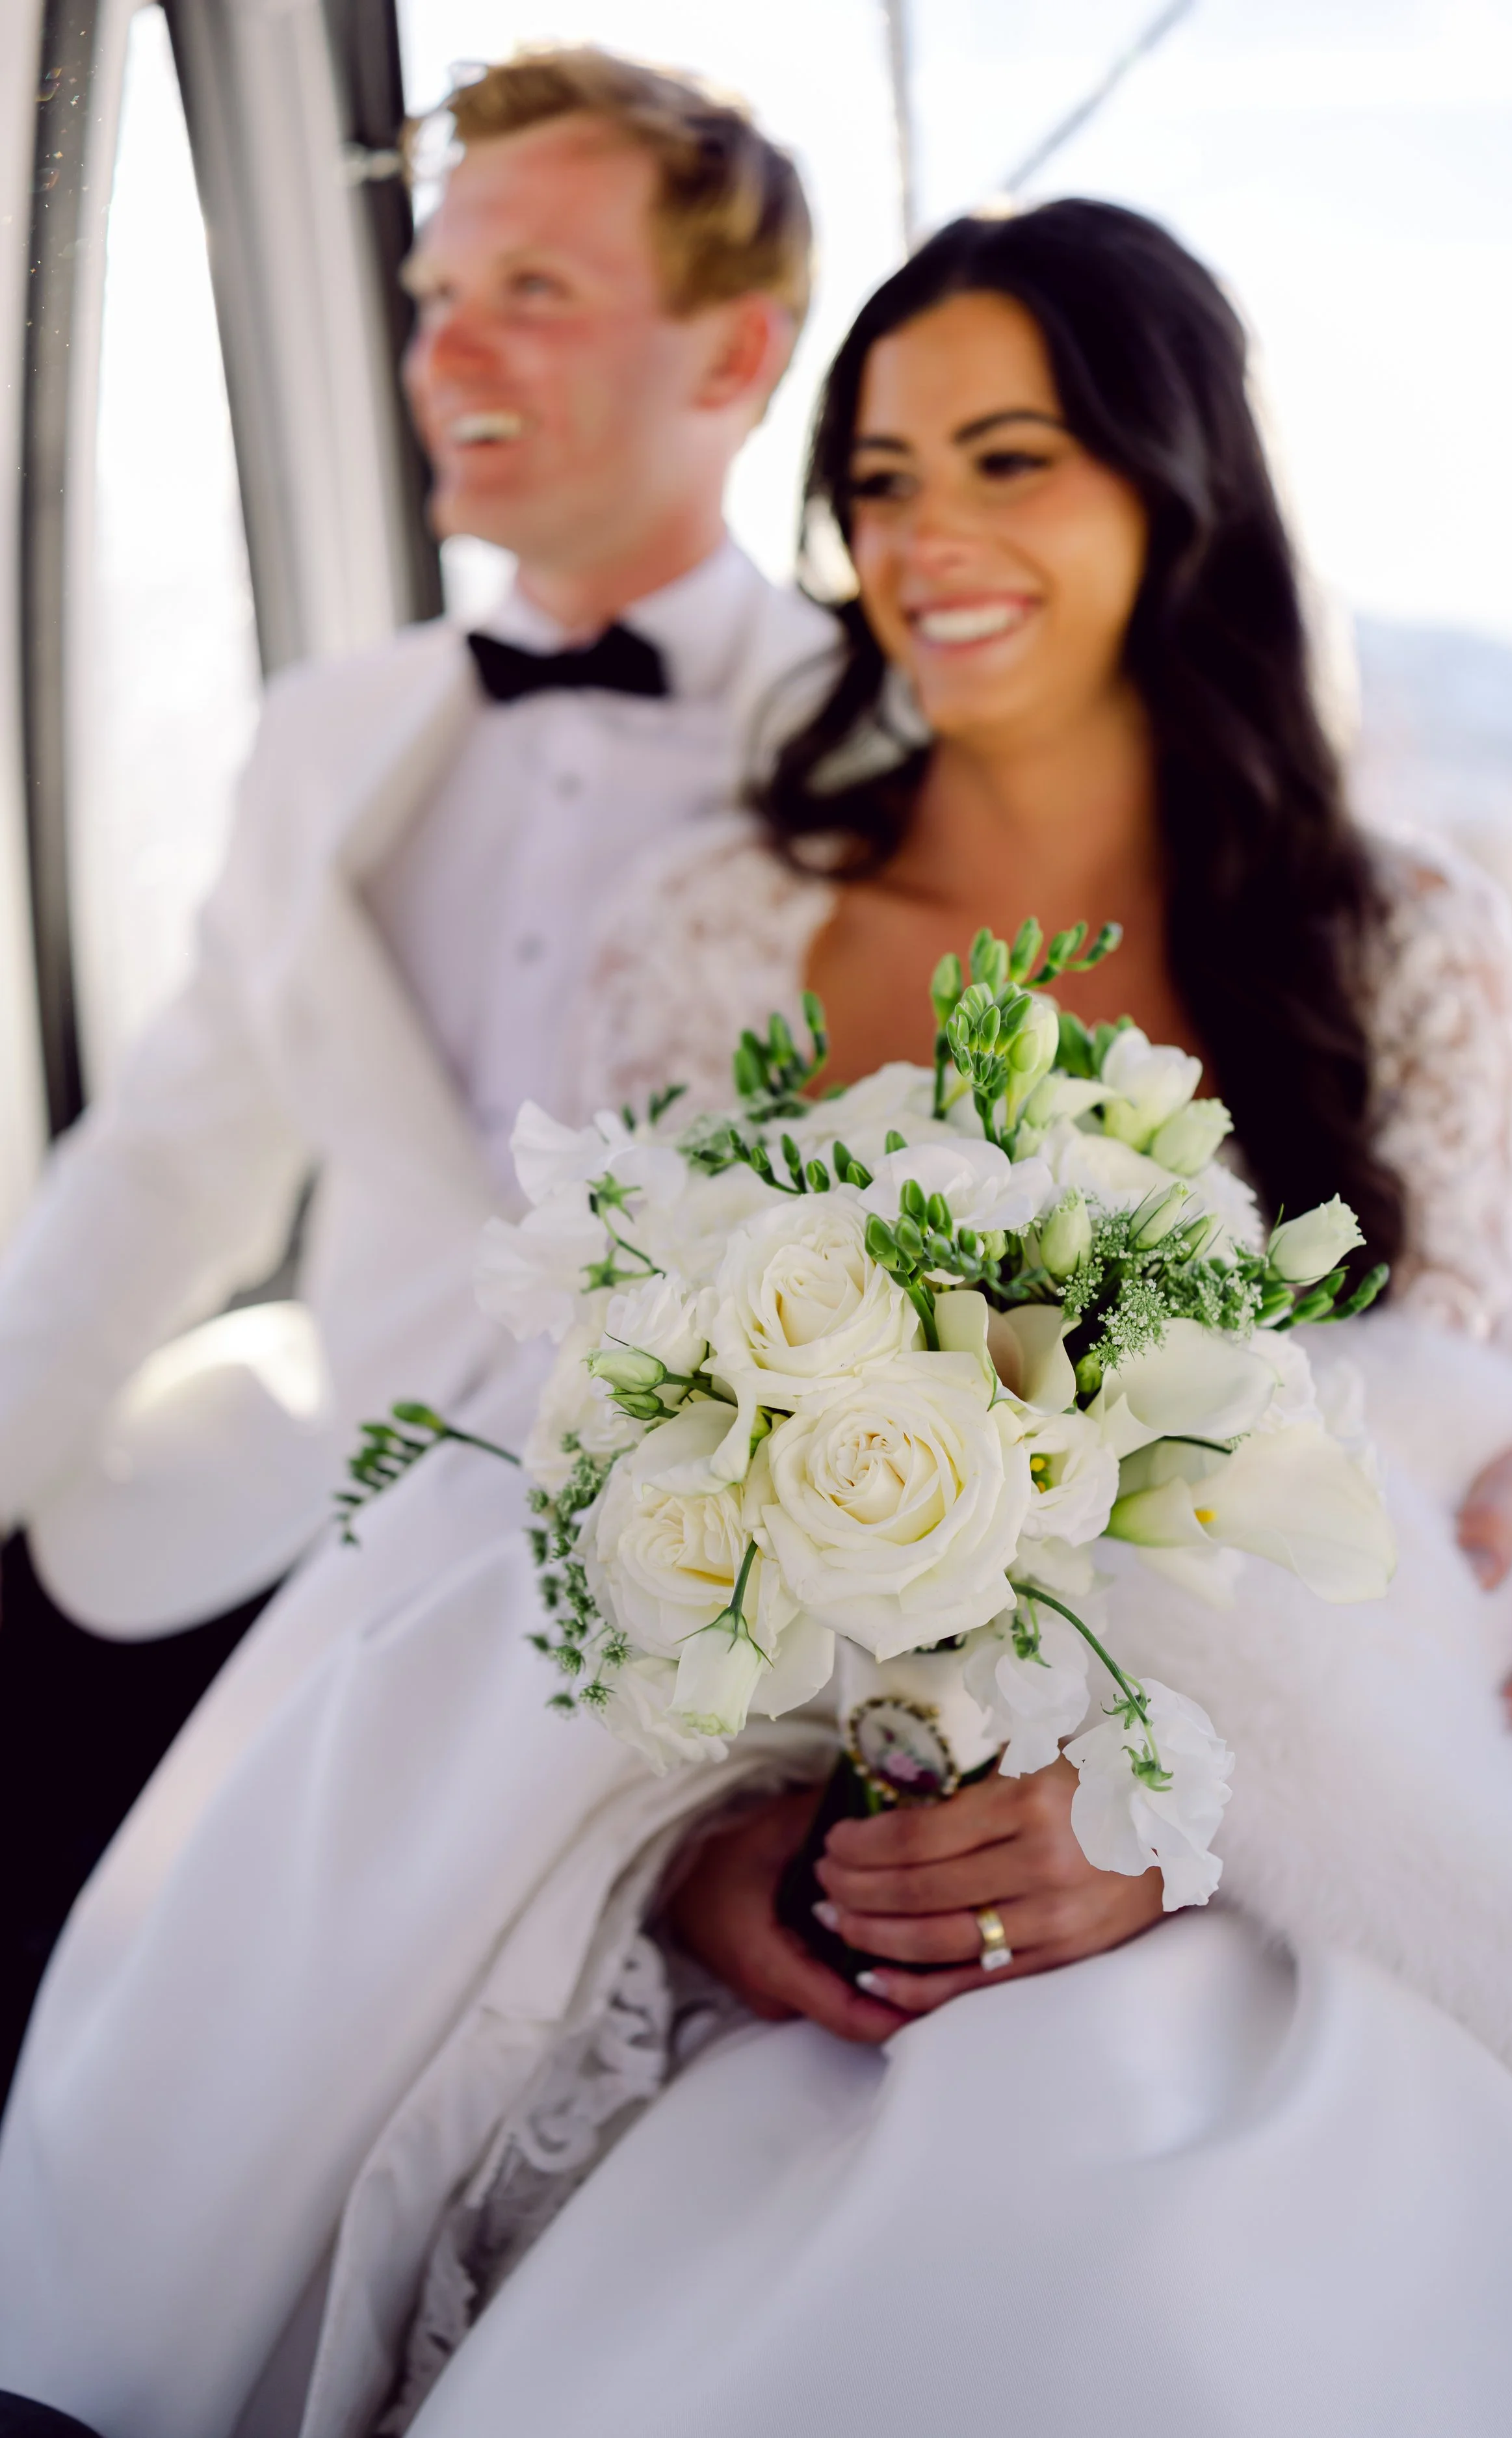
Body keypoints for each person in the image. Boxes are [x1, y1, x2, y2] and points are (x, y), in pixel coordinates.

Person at [7, 194, 1512, 2438]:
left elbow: (1426, 1463)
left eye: (1007, 458)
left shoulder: (1394, 931)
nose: (925, 536)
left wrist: (1176, 1814)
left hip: (1269, 1851)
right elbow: (599, 1427)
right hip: (803, 1826)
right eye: (876, 478)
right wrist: (697, 1866)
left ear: (1177, 492)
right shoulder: (716, 925)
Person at [0, 46, 835, 2089]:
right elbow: (168, 1161)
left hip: (666, 1647)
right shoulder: (322, 731)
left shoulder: (899, 754)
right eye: (431, 291)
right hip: (278, 1509)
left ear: (733, 355)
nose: (446, 343)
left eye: (531, 292)